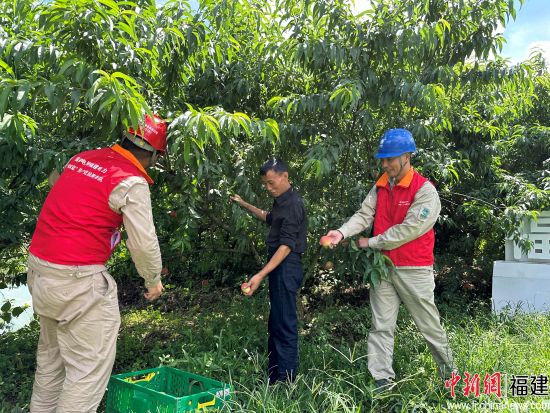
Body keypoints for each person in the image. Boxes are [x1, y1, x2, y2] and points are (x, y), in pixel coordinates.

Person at [26, 114, 167, 412]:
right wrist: (153, 279)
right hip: (77, 280)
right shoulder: (131, 181)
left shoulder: (82, 159)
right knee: (86, 373)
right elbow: (143, 242)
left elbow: (61, 191)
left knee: (51, 364)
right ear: (153, 153)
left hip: (40, 270)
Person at [322, 128, 455, 392]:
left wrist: (370, 242)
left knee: (429, 326)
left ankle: (451, 378)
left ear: (407, 156)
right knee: (380, 326)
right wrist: (341, 232)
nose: (385, 164)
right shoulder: (382, 184)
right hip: (382, 268)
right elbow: (364, 214)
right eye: (382, 159)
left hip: (414, 268)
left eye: (390, 159)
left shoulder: (425, 191)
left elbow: (408, 230)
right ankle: (382, 381)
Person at [230, 159, 307, 385]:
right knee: (276, 321)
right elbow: (268, 217)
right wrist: (244, 204)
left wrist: (260, 274)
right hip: (279, 264)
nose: (268, 188)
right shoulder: (280, 201)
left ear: (285, 176)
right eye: (265, 184)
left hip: (287, 264)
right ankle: (273, 375)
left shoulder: (293, 204)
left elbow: (286, 246)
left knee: (285, 323)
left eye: (271, 183)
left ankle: (287, 381)